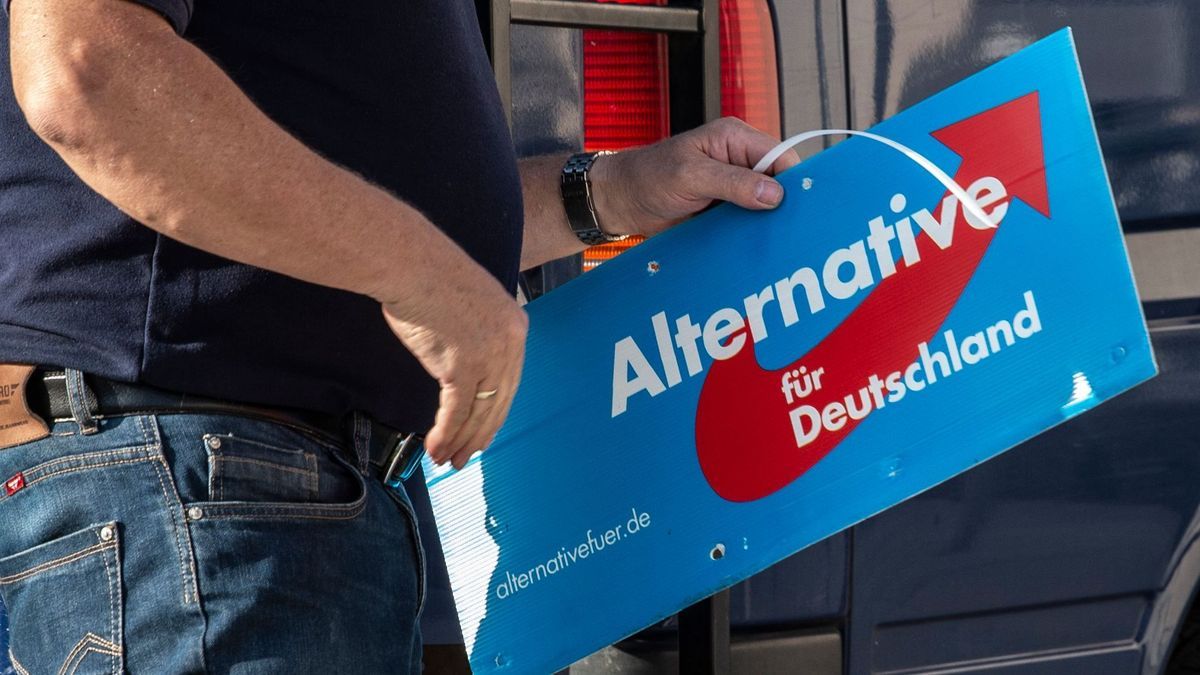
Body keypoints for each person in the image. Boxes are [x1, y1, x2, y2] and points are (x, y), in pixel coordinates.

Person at [0, 0, 799, 672]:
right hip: (198, 490)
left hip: (249, 501)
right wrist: (419, 273)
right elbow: (85, 69)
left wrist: (613, 193)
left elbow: (362, 210)